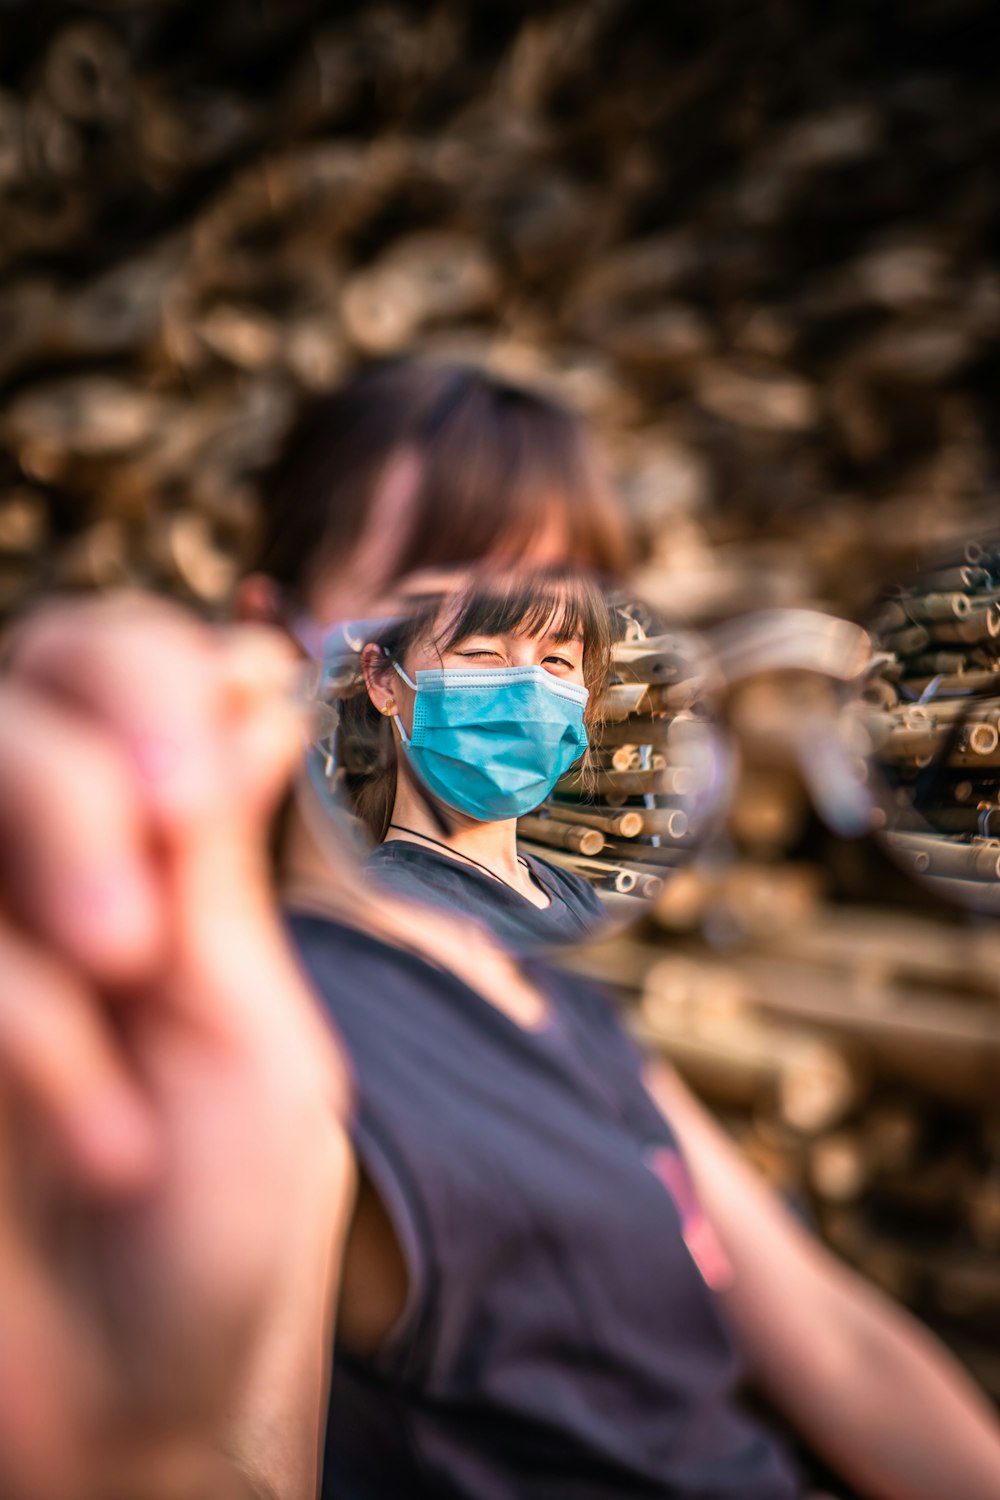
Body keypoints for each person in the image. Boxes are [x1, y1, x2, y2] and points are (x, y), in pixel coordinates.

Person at [2, 358, 1000, 1500]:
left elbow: (838, 1344)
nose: (523, 674)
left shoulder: (555, 1004)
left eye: (562, 630)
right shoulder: (264, 1042)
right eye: (461, 613)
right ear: (289, 643)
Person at [343, 567, 613, 947]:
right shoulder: (385, 914)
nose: (530, 689)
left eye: (557, 660)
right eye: (482, 652)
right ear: (384, 681)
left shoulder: (577, 896)